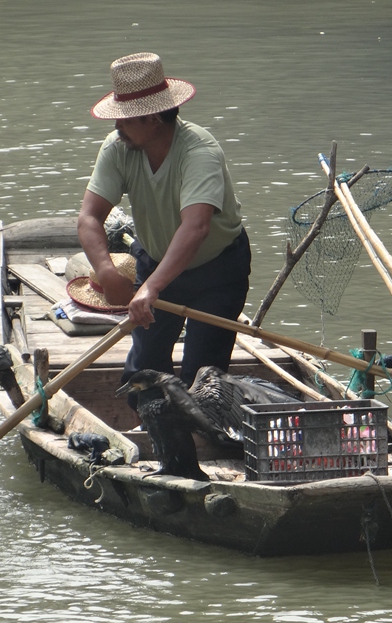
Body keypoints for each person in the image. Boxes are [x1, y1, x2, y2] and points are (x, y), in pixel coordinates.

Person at [76, 52, 251, 400]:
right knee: (143, 372)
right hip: (155, 260)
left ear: (153, 118)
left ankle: (201, 429)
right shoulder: (118, 148)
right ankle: (153, 428)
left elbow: (196, 227)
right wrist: (106, 271)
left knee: (203, 378)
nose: (117, 126)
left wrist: (150, 289)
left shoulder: (199, 152)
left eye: (126, 118)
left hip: (215, 271)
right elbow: (89, 217)